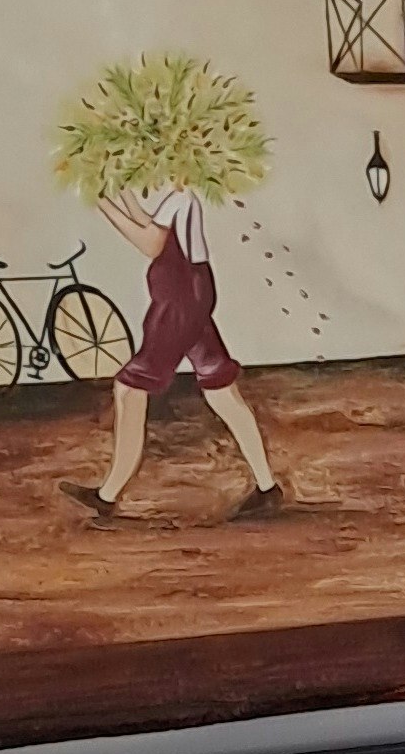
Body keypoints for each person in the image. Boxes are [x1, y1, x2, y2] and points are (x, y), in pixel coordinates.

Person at [63, 184, 284, 517]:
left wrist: (102, 204)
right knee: (220, 386)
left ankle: (107, 496)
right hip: (190, 296)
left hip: (179, 302)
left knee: (130, 388)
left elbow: (151, 243)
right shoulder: (181, 198)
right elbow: (152, 225)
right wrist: (123, 196)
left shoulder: (181, 196)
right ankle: (268, 487)